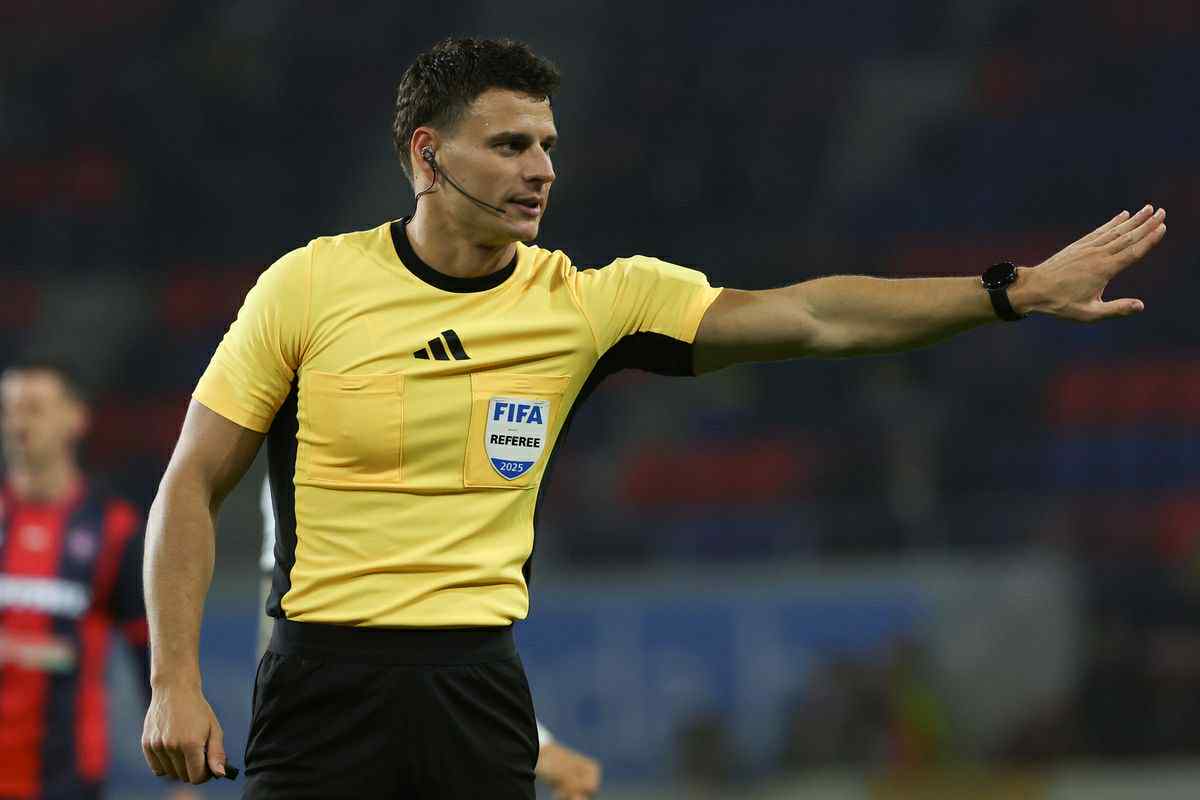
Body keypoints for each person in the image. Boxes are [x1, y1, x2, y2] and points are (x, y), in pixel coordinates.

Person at [140, 36, 1166, 798]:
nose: (542, 168)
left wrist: (1011, 291)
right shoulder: (309, 285)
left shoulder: (589, 303)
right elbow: (191, 478)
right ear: (427, 155)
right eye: (509, 144)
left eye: (548, 145)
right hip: (322, 687)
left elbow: (814, 315)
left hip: (476, 687)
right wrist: (173, 677)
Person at [256, 479, 602, 798]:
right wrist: (539, 746)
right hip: (335, 739)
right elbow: (291, 633)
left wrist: (537, 744)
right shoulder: (314, 461)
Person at [0, 360, 184, 800]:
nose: (19, 423)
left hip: (67, 780)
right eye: (9, 409)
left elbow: (149, 654)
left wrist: (178, 781)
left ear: (75, 418)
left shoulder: (114, 529)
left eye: (34, 408)